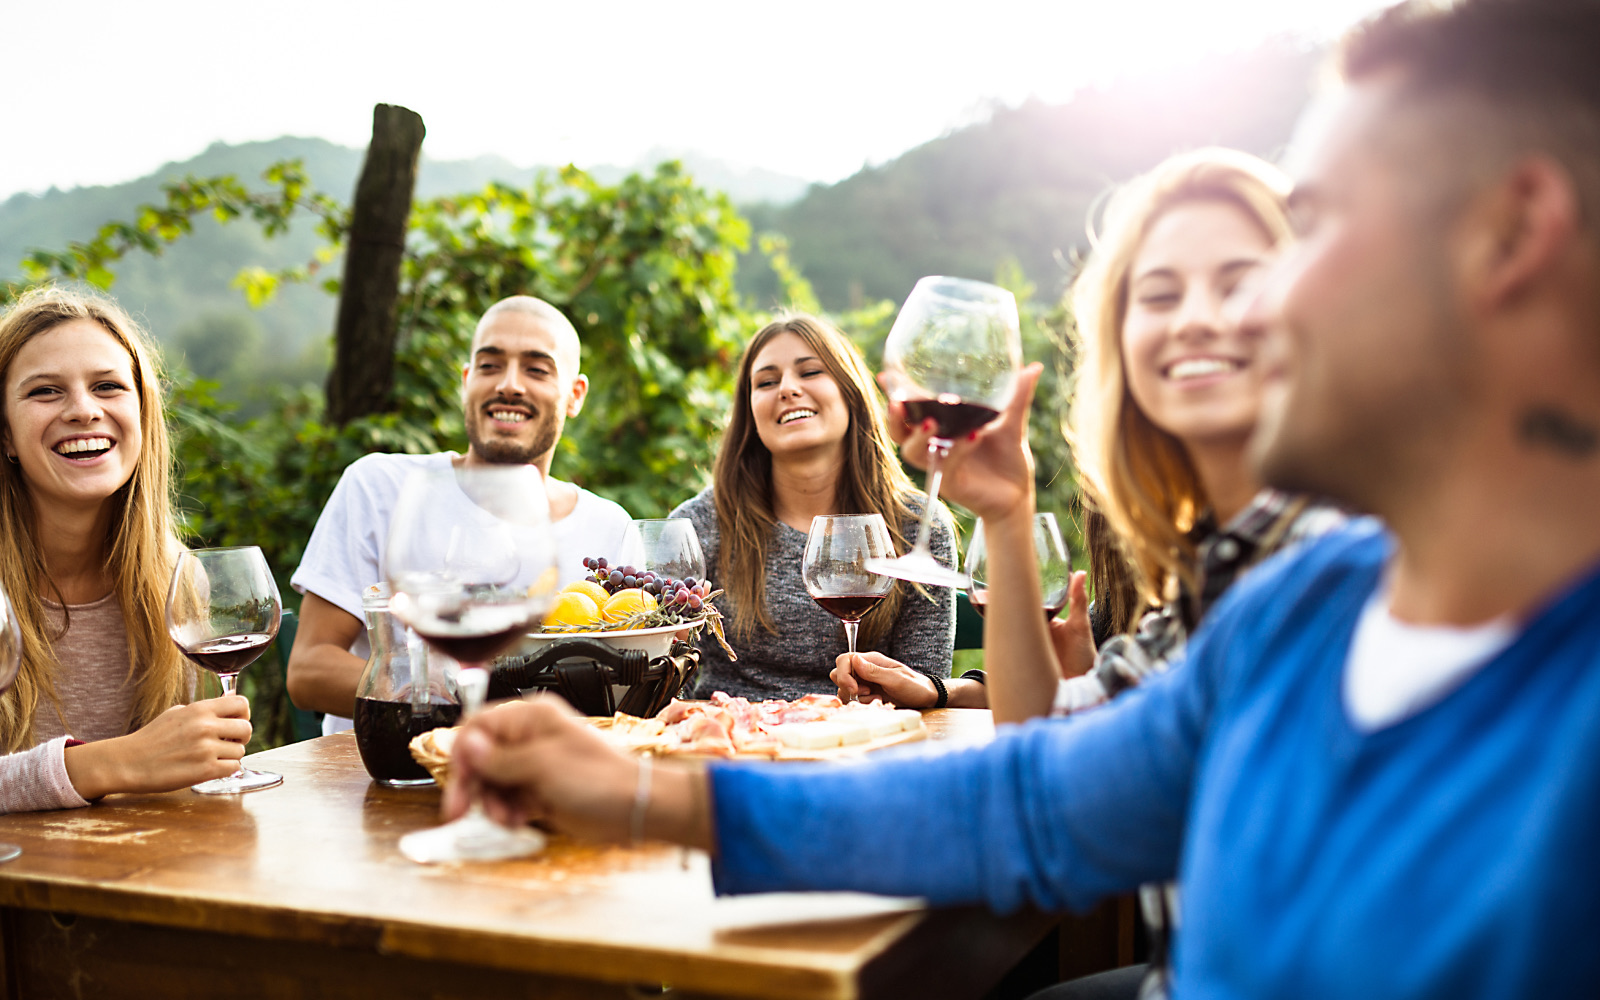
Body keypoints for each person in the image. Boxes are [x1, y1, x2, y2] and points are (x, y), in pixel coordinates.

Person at [439, 1, 1600, 995]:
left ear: (1512, 238)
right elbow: (1026, 804)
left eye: (1318, 224)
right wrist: (634, 797)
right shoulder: (1295, 616)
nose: (1257, 303)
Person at [831, 150, 1344, 732]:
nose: (1195, 319)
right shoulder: (1211, 571)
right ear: (1120, 343)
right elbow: (1049, 734)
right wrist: (1006, 512)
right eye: (1159, 295)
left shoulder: (1340, 553)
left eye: (1240, 283)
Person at [287, 296, 638, 733]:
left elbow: (626, 691)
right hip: (384, 781)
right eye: (490, 366)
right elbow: (308, 671)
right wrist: (464, 702)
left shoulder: (610, 527)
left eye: (537, 369)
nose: (510, 385)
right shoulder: (380, 486)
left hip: (543, 785)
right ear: (467, 381)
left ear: (575, 395)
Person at [0, 287, 253, 813]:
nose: (83, 410)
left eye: (108, 386)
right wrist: (111, 764)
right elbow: (134, 766)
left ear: (142, 414)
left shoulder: (171, 578)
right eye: (45, 392)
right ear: (4, 433)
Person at [668, 314, 955, 700]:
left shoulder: (918, 525)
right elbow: (667, 690)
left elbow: (922, 685)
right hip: (730, 742)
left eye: (810, 372)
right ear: (750, 413)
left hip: (863, 745)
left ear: (850, 392)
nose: (787, 389)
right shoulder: (697, 525)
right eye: (767, 382)